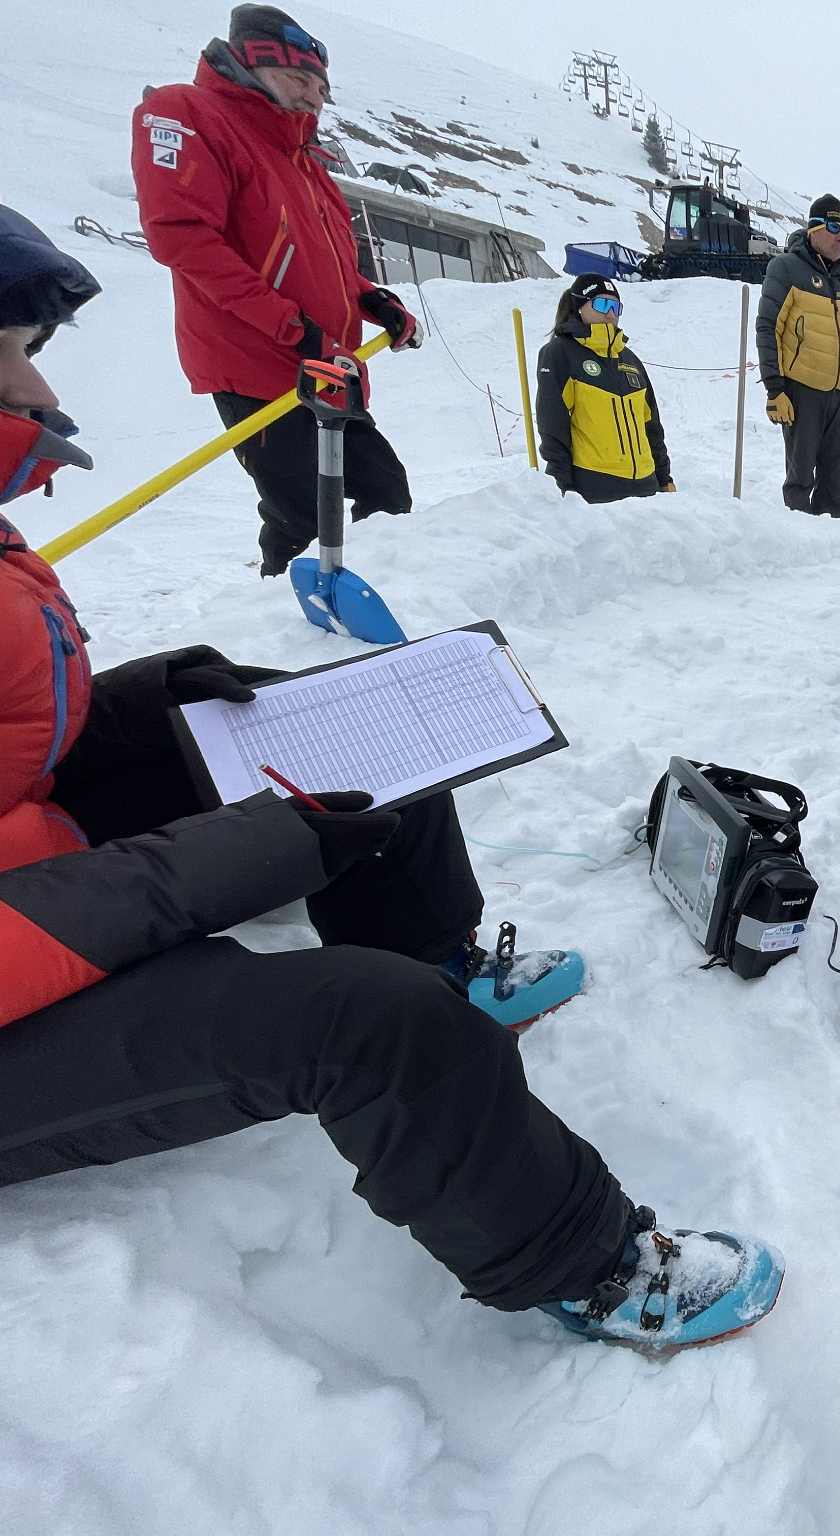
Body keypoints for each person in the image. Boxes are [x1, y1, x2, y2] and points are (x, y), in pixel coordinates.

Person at [0, 210, 781, 1356]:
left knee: (356, 749)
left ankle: (442, 957)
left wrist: (153, 693)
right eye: (12, 353)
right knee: (368, 1023)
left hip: (39, 856)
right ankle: (589, 1264)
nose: (37, 389)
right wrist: (227, 860)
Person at [130, 5, 423, 576]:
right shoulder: (188, 113)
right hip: (257, 361)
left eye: (320, 87)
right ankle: (286, 635)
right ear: (249, 63)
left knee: (386, 494)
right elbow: (184, 241)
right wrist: (295, 329)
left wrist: (370, 299)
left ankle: (372, 598)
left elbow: (320, 266)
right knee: (303, 517)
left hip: (323, 364)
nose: (314, 97)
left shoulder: (301, 158)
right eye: (299, 80)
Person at [756, 193, 840, 518]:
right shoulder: (786, 268)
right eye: (834, 227)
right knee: (801, 479)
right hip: (802, 392)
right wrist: (775, 389)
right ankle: (798, 547)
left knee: (834, 482)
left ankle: (831, 550)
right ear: (813, 229)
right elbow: (768, 328)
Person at [535, 275, 675, 504]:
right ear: (580, 306)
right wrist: (562, 486)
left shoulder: (630, 359)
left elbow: (651, 426)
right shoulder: (560, 353)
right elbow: (553, 427)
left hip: (646, 487)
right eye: (601, 304)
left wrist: (663, 478)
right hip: (596, 487)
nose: (610, 314)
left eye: (615, 307)